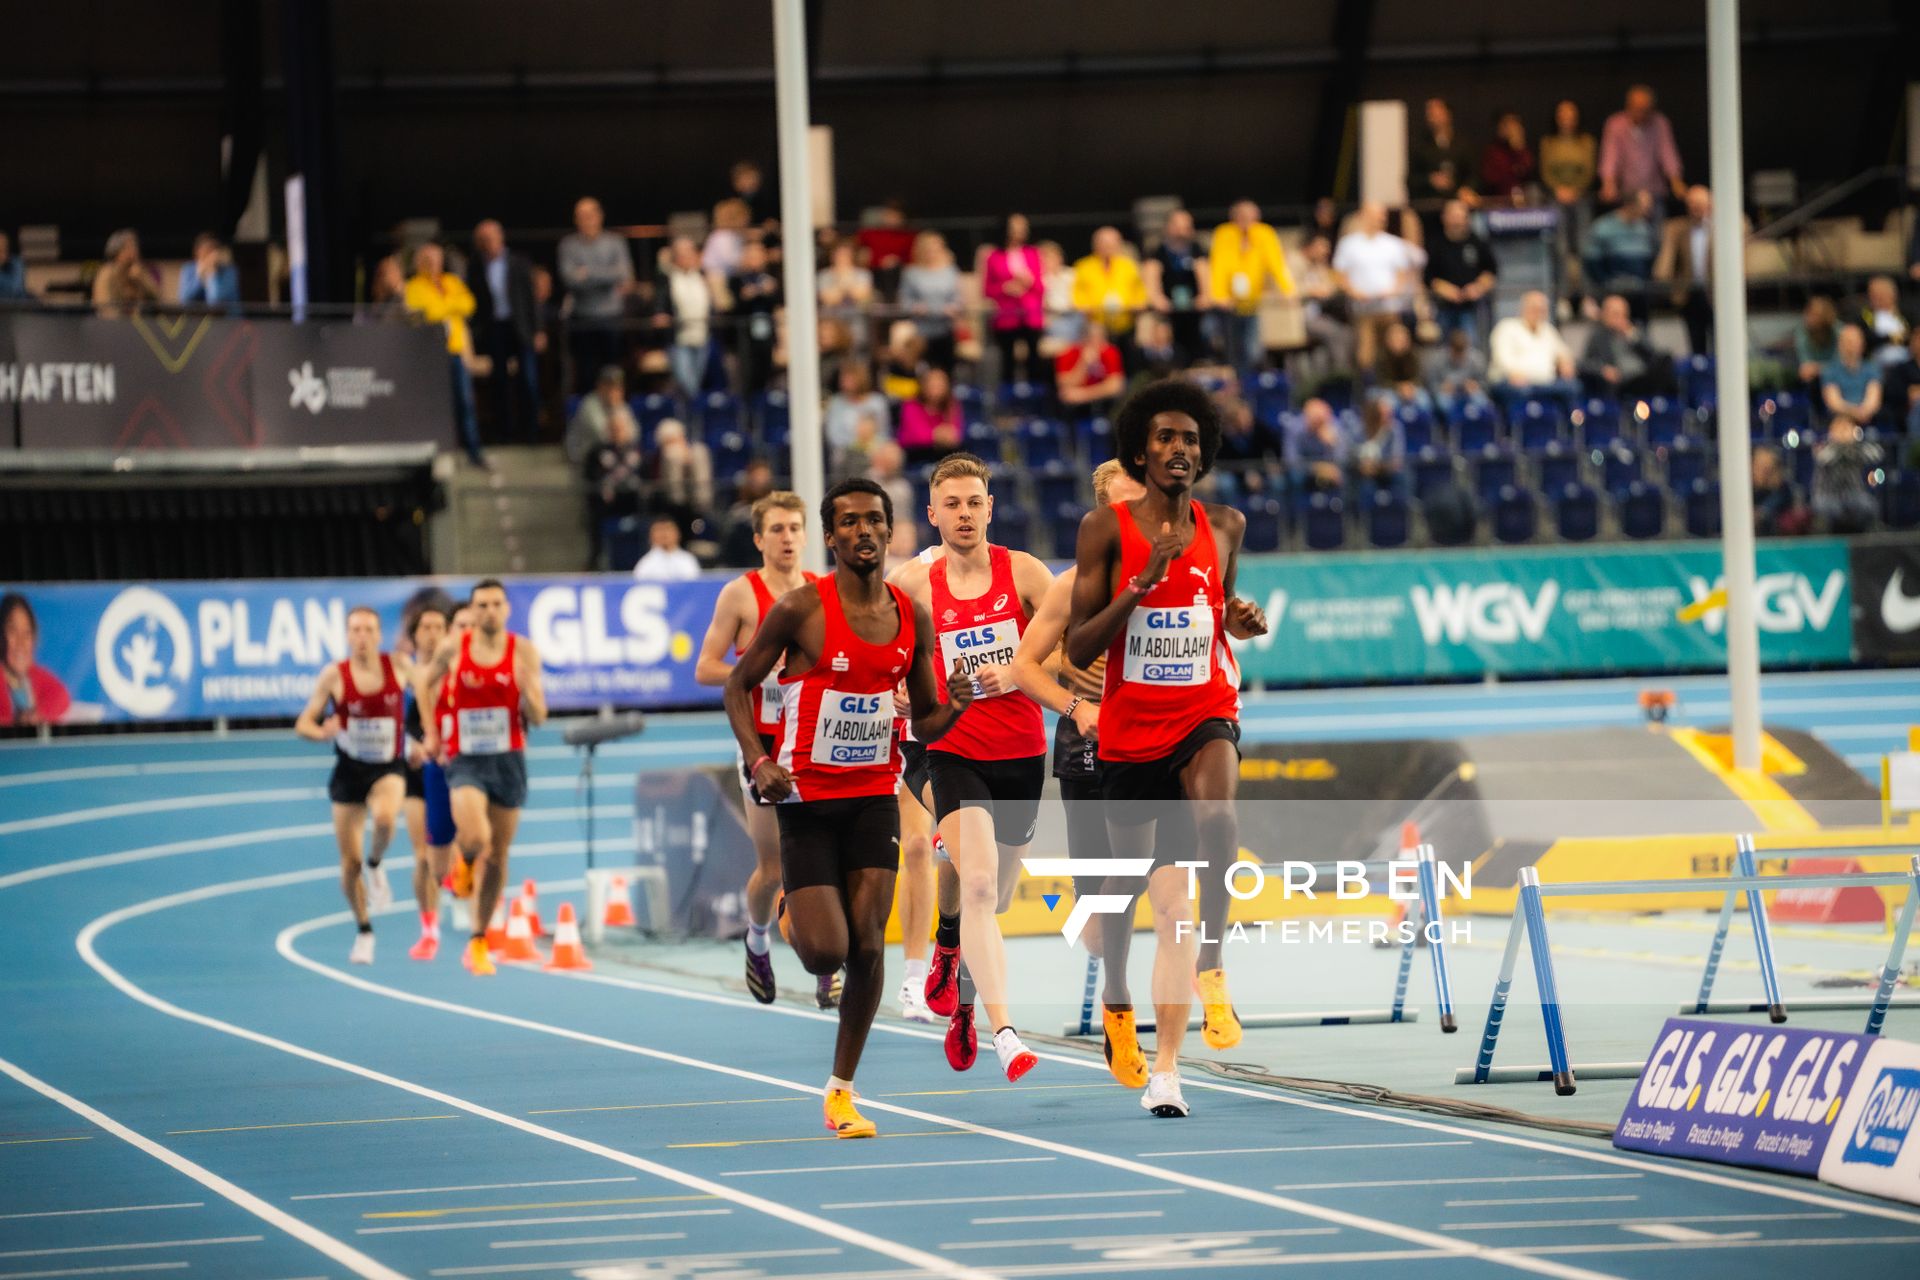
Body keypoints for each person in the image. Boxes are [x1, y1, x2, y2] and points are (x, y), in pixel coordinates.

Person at [724, 478, 969, 1138]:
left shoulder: (909, 617)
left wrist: (960, 701)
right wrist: (758, 760)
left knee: (866, 945)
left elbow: (928, 719)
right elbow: (737, 685)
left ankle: (841, 1091)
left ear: (890, 533)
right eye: (849, 521)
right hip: (804, 798)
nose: (863, 530)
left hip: (870, 800)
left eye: (874, 521)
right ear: (830, 537)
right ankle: (791, 912)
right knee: (823, 953)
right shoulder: (802, 609)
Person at [1065, 378, 1269, 1118]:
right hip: (1130, 729)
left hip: (1203, 713)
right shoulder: (1105, 532)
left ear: (1203, 451)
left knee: (1219, 821)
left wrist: (1239, 620)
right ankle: (1118, 1000)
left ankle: (1211, 965)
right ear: (1140, 452)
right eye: (1164, 439)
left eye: (1190, 439)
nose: (1178, 450)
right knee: (1121, 894)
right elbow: (1077, 644)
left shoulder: (1227, 525)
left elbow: (1218, 615)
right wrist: (1139, 584)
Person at [888, 454, 1056, 1082]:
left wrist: (1018, 670)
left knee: (997, 894)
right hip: (950, 752)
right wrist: (900, 695)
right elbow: (882, 656)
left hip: (1022, 754)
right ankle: (1003, 1032)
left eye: (974, 503)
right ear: (932, 514)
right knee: (980, 883)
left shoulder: (1026, 573)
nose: (964, 514)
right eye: (951, 505)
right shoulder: (910, 584)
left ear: (990, 508)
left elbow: (1067, 647)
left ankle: (951, 948)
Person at [1008, 460, 1147, 970]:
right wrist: (1076, 704)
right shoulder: (1072, 586)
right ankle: (1093, 909)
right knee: (1097, 936)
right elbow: (1027, 666)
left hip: (1156, 739)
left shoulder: (1174, 576)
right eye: (1123, 506)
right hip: (1087, 743)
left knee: (1164, 870)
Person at [696, 492, 829, 1005]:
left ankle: (825, 964)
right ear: (758, 539)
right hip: (763, 747)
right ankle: (756, 939)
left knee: (822, 864)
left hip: (815, 742)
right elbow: (705, 667)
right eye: (777, 529)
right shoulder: (741, 595)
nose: (789, 537)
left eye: (796, 528)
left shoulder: (822, 591)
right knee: (774, 868)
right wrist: (757, 669)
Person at [416, 580, 547, 976]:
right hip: (465, 759)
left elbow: (539, 717)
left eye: (495, 604)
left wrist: (528, 694)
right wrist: (432, 732)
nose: (488, 611)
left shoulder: (522, 650)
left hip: (508, 760)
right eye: (481, 605)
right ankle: (467, 861)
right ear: (471, 611)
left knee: (500, 855)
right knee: (476, 838)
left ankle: (478, 939)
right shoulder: (455, 647)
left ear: (506, 608)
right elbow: (423, 682)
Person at [295, 607, 412, 965]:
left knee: (386, 821)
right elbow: (303, 723)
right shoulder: (334, 675)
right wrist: (321, 732)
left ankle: (377, 864)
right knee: (349, 865)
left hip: (388, 768)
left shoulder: (400, 666)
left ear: (379, 635)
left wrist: (426, 737)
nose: (362, 636)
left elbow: (430, 694)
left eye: (368, 630)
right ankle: (364, 931)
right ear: (348, 636)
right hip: (349, 773)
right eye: (355, 630)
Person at [399, 605, 458, 961]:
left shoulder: (458, 669)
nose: (433, 633)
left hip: (455, 765)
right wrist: (414, 747)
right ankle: (429, 929)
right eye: (427, 627)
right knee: (422, 852)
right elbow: (395, 721)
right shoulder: (404, 674)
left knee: (462, 845)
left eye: (440, 626)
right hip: (417, 771)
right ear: (415, 634)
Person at [405, 243, 484, 466]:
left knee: (465, 402)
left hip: (456, 350)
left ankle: (474, 453)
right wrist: (451, 306)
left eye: (436, 259)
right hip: (430, 355)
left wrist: (444, 305)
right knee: (437, 405)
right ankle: (441, 452)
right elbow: (428, 313)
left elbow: (469, 304)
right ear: (420, 262)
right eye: (428, 260)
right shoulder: (414, 286)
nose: (433, 264)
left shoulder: (452, 281)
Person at [467, 220, 542, 442]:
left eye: (490, 237)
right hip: (495, 329)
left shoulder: (518, 262)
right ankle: (505, 433)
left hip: (520, 327)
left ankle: (531, 433)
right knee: (499, 382)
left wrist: (538, 330)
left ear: (500, 237)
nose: (487, 243)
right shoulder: (477, 266)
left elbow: (531, 299)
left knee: (528, 381)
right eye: (483, 239)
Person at [1206, 201, 1295, 379]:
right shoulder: (1224, 234)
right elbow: (1219, 265)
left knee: (1253, 351)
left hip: (1253, 303)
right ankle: (1239, 387)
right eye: (1243, 217)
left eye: (1251, 217)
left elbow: (1275, 263)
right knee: (1233, 350)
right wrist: (1219, 295)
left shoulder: (1264, 233)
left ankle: (1251, 384)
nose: (1247, 222)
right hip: (1230, 305)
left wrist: (1288, 289)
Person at [1332, 202, 1421, 370]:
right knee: (1366, 352)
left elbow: (1402, 274)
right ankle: (1367, 388)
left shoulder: (1393, 244)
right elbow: (1339, 275)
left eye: (1383, 215)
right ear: (1364, 216)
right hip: (1363, 309)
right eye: (1376, 215)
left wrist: (1393, 290)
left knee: (1394, 347)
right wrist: (1354, 292)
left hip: (1389, 308)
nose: (1381, 219)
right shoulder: (1349, 244)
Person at [559, 197, 634, 394]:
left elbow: (623, 275)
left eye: (590, 215)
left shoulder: (615, 242)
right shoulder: (568, 245)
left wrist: (587, 273)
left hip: (611, 316)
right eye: (581, 216)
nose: (586, 220)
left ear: (600, 216)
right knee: (586, 375)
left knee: (613, 373)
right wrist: (606, 275)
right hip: (582, 317)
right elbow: (570, 280)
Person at [1489, 290, 1581, 416]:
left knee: (1572, 387)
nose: (1538, 313)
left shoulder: (1547, 330)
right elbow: (1501, 358)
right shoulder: (1507, 327)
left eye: (1542, 309)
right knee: (1520, 392)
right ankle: (1516, 431)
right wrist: (1512, 373)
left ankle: (1569, 430)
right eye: (1534, 308)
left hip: (1546, 382)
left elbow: (1563, 352)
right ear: (1523, 308)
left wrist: (1566, 363)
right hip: (1513, 381)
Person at [1654, 185, 1721, 356]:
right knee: (1696, 343)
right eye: (1692, 204)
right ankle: (1700, 377)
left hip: (1718, 292)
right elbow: (1665, 262)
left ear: (1711, 204)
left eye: (1700, 204)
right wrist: (1661, 276)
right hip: (1690, 293)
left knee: (1720, 342)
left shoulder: (1725, 226)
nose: (1696, 209)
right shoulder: (1676, 228)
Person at [982, 214, 1047, 384]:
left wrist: (1029, 281)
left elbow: (1041, 287)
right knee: (1007, 362)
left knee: (1034, 360)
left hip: (1030, 314)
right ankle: (1009, 401)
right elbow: (987, 290)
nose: (1020, 232)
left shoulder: (1033, 254)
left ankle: (1035, 400)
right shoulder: (994, 256)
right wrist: (1005, 288)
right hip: (1007, 316)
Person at [1598, 84, 1686, 208]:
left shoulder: (1660, 123)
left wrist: (1676, 181)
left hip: (1654, 192)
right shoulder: (1615, 124)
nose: (1640, 114)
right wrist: (1608, 183)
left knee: (1655, 225)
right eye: (1636, 108)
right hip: (1627, 193)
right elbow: (1610, 156)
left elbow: (1668, 153)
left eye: (1645, 110)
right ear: (1628, 105)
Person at [1423, 200, 1498, 345]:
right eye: (1453, 216)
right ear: (1444, 218)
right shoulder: (1436, 244)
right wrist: (1444, 288)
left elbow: (1491, 270)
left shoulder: (1477, 242)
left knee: (1471, 344)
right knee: (1444, 346)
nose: (1457, 220)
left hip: (1471, 306)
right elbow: (1427, 276)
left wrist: (1478, 287)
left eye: (1460, 216)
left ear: (1467, 218)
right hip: (1443, 306)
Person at [1143, 209, 1210, 367]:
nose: (1181, 231)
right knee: (1162, 331)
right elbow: (1151, 275)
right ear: (1167, 227)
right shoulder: (1157, 251)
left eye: (1186, 227)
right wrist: (1157, 298)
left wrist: (1205, 295)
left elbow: (1204, 273)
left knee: (1205, 329)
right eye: (1177, 226)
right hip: (1168, 310)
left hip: (1193, 310)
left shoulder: (1196, 249)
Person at [1579, 293, 1675, 398]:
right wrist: (1603, 370)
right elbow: (1584, 364)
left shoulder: (1635, 330)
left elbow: (1652, 354)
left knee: (1667, 359)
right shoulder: (1598, 336)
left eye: (1623, 314)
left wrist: (1632, 336)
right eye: (1615, 314)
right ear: (1605, 315)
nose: (1620, 318)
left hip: (1645, 374)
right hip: (1623, 381)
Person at [0, 594, 71, 727]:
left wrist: (37, 715)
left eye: (27, 633)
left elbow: (62, 697)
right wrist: (15, 723)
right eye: (12, 631)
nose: (21, 642)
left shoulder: (35, 675)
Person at [586, 410, 646, 568]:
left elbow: (646, 476)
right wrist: (604, 488)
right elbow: (590, 476)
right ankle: (597, 559)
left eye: (620, 428)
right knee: (596, 514)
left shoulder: (637, 451)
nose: (617, 432)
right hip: (607, 503)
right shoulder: (598, 451)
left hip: (633, 501)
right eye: (613, 428)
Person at [1583, 191, 1658, 314]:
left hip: (1640, 293)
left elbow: (1649, 259)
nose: (1648, 210)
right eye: (1644, 206)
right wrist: (1606, 283)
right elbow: (1591, 260)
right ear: (1630, 205)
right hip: (1612, 293)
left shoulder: (1644, 228)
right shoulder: (1603, 227)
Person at [1071, 227, 1147, 342]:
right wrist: (1085, 308)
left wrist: (1137, 305)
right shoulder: (1082, 267)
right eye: (1104, 243)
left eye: (1112, 243)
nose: (1108, 247)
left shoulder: (1129, 266)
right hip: (1094, 326)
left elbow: (1139, 293)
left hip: (1125, 323)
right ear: (1095, 244)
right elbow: (1077, 295)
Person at [899, 231, 961, 372]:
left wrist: (953, 308)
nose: (932, 253)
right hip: (920, 331)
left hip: (945, 328)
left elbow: (958, 299)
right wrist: (915, 307)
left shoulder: (950, 271)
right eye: (928, 249)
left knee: (946, 367)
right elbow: (904, 302)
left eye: (935, 248)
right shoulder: (911, 273)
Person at [1811, 418, 1885, 534]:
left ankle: (1871, 544)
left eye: (1846, 429)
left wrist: (1854, 446)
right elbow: (1823, 459)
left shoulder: (1857, 448)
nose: (1843, 433)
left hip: (1853, 493)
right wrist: (1840, 446)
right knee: (1828, 510)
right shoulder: (1825, 447)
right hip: (1828, 495)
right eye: (1839, 430)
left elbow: (1877, 454)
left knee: (1869, 505)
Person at [1409, 97, 1478, 213]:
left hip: (1459, 205)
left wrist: (1467, 188)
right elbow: (1410, 179)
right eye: (1430, 113)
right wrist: (1430, 180)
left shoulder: (1463, 144)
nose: (1433, 117)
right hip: (1429, 207)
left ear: (1447, 114)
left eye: (1437, 112)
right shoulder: (1419, 146)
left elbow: (1474, 174)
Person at [566, 365, 637, 466]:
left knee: (633, 457)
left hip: (610, 454)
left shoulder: (621, 405)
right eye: (609, 385)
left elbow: (634, 434)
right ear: (599, 386)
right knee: (608, 457)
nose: (613, 391)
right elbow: (602, 435)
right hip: (585, 459)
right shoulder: (589, 404)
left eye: (617, 386)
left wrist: (616, 409)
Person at [817, 238, 876, 356]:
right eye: (839, 254)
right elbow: (828, 298)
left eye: (845, 254)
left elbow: (862, 295)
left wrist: (840, 286)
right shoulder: (823, 275)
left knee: (858, 331)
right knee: (828, 332)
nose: (842, 257)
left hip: (856, 318)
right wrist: (847, 285)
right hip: (832, 319)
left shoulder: (863, 274)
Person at [897, 366, 964, 464]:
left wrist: (945, 436)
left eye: (940, 384)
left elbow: (955, 434)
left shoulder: (952, 405)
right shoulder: (911, 405)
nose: (936, 388)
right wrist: (936, 435)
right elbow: (916, 435)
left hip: (943, 454)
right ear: (924, 385)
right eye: (932, 384)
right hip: (913, 454)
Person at [1055, 320, 1126, 411]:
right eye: (1094, 338)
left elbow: (1116, 386)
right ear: (1084, 339)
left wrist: (1084, 395)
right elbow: (1064, 386)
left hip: (1103, 403)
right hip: (1075, 408)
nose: (1100, 343)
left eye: (1102, 338)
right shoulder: (1067, 353)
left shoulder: (1110, 352)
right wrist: (1083, 364)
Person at [1822, 325, 1882, 428]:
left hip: (1868, 419)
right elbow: (1834, 402)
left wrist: (1863, 412)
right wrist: (1854, 413)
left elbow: (1874, 398)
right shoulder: (1830, 370)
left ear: (1862, 344)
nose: (1850, 346)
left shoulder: (1872, 368)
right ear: (1839, 344)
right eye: (1847, 342)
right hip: (1839, 420)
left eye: (1854, 342)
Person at [1427, 327, 1494, 419]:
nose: (1459, 356)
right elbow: (1431, 384)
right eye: (1456, 353)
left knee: (1483, 403)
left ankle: (1477, 429)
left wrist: (1476, 385)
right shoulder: (1437, 359)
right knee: (1444, 403)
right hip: (1447, 394)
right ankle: (1453, 429)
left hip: (1469, 392)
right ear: (1449, 348)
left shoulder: (1476, 358)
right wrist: (1441, 387)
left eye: (1462, 352)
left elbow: (1486, 384)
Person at [92, 229, 159, 316]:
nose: (134, 251)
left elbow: (158, 300)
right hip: (114, 325)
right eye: (128, 247)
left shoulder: (138, 272)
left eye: (135, 246)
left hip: (139, 324)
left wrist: (142, 279)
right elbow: (104, 306)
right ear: (116, 251)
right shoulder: (106, 273)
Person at [1854, 275, 1914, 368]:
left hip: (1906, 359)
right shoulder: (1866, 315)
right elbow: (1868, 338)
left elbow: (1911, 335)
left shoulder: (1904, 314)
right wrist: (1892, 338)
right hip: (1877, 359)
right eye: (1873, 295)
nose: (1877, 298)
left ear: (1893, 294)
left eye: (1881, 294)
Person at [1479, 110, 1537, 202]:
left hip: (1525, 200)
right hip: (1499, 199)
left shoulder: (1524, 151)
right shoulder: (1493, 152)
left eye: (1514, 125)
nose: (1511, 129)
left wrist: (1518, 150)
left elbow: (1530, 175)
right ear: (1499, 128)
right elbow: (1492, 181)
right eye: (1507, 125)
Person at [178, 233, 240, 313]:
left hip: (228, 321)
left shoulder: (230, 271)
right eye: (206, 251)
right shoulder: (188, 269)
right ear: (197, 252)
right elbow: (185, 300)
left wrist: (212, 274)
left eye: (213, 250)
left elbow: (215, 302)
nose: (210, 255)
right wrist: (199, 277)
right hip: (197, 320)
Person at [1751, 445, 1805, 537]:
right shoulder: (1742, 492)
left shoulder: (1784, 492)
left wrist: (1761, 513)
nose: (1764, 473)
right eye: (1760, 467)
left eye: (1768, 469)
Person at [633, 515, 702, 582]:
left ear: (677, 533)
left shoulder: (688, 560)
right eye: (659, 530)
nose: (664, 534)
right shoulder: (645, 564)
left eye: (668, 529)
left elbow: (694, 587)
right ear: (651, 535)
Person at [1794, 297, 1842, 388]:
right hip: (1813, 376)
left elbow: (1841, 364)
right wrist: (1814, 368)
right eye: (1809, 314)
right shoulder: (1801, 332)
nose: (1810, 318)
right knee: (1805, 374)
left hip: (1837, 375)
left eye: (1815, 315)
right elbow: (1805, 363)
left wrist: (1818, 368)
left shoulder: (1839, 331)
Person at [0, 231, 26, 303]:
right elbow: (12, 290)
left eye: (4, 250)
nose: (2, 254)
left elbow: (16, 289)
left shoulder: (15, 263)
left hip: (19, 306)